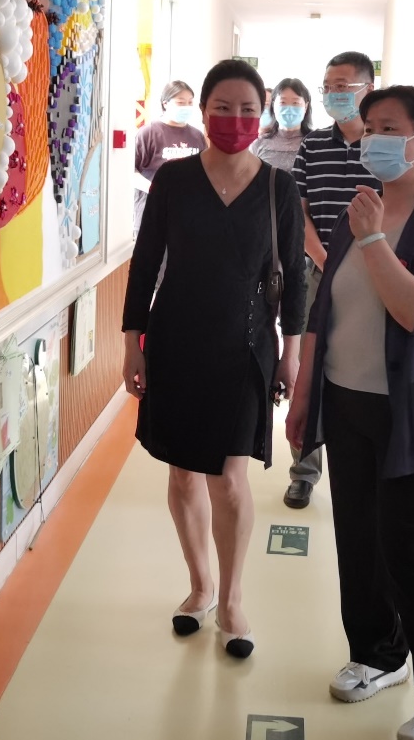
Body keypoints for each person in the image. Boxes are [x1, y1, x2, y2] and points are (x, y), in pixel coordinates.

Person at [286, 84, 414, 740]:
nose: (372, 138)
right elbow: (326, 310)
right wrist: (304, 395)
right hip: (346, 400)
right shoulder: (359, 207)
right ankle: (377, 652)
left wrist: (374, 239)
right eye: (368, 126)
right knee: (357, 537)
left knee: (408, 548)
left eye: (388, 128)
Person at [122, 60, 306, 660]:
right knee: (182, 473)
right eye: (222, 108)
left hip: (245, 347)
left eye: (247, 109)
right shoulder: (174, 181)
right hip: (175, 343)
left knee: (228, 479)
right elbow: (145, 264)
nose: (235, 119)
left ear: (262, 114)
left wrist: (292, 352)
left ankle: (231, 597)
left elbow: (295, 277)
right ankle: (199, 585)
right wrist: (131, 342)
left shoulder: (279, 188)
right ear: (203, 113)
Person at [283, 52, 381, 509]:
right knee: (308, 369)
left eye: (342, 86)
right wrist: (325, 259)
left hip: (374, 275)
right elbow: (299, 211)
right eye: (327, 87)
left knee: (361, 365)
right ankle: (303, 471)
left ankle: (363, 464)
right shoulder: (313, 146)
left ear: (367, 89)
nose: (333, 94)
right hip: (318, 271)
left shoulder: (384, 147)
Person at [133, 81, 205, 235]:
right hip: (152, 214)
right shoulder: (148, 133)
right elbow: (130, 171)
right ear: (165, 103)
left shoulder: (197, 136)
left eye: (190, 102)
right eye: (181, 102)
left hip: (187, 218)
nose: (186, 107)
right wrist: (154, 189)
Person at [252, 77, 313, 174]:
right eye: (283, 102)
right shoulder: (259, 144)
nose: (289, 108)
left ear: (305, 106)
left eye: (295, 103)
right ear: (273, 105)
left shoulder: (315, 143)